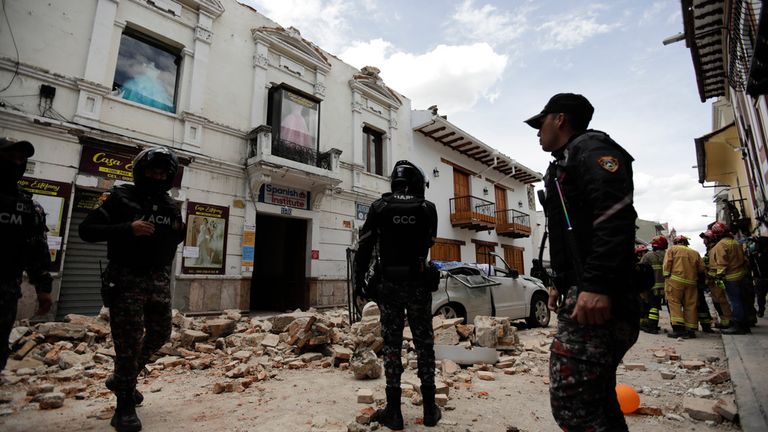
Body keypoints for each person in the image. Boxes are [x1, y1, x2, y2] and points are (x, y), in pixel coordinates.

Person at [525, 93, 639, 431]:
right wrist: (560, 284)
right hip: (580, 289)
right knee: (598, 398)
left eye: (540, 122)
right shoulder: (563, 162)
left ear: (560, 119)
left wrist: (596, 285)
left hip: (600, 295)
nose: (536, 131)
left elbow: (614, 218)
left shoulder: (592, 150)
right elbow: (571, 234)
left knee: (573, 402)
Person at [80, 146, 185, 432]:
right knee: (127, 343)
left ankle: (122, 378)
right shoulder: (119, 197)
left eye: (163, 171)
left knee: (161, 333)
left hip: (158, 279)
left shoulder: (170, 205)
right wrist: (128, 228)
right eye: (152, 170)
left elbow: (175, 237)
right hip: (125, 278)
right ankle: (124, 404)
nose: (157, 175)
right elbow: (87, 231)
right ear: (140, 172)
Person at [353, 160, 439, 430]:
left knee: (391, 345)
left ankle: (394, 412)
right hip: (418, 285)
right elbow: (429, 243)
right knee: (424, 345)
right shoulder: (428, 209)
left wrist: (358, 283)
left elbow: (364, 247)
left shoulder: (379, 207)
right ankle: (428, 410)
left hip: (389, 285)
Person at [0, 137, 52, 371]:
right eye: (9, 157)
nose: (15, 163)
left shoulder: (27, 205)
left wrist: (43, 288)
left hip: (6, 288)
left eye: (20, 159)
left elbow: (37, 248)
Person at [708, 221, 751, 334]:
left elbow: (721, 264)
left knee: (735, 301)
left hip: (731, 278)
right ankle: (745, 325)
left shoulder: (721, 245)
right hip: (741, 276)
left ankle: (738, 326)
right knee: (742, 301)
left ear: (717, 234)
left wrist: (718, 278)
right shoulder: (735, 242)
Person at [663, 235, 706, 338]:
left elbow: (667, 265)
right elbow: (701, 269)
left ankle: (678, 330)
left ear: (676, 242)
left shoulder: (672, 250)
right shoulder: (695, 252)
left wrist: (666, 275)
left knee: (674, 303)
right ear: (686, 243)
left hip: (675, 281)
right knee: (690, 305)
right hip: (691, 283)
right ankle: (691, 329)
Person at [701, 230, 732, 328]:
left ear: (710, 239)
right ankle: (724, 320)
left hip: (717, 279)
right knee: (717, 300)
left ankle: (728, 320)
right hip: (713, 279)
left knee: (721, 300)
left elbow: (717, 265)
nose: (703, 242)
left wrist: (713, 275)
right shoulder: (711, 249)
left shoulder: (715, 248)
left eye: (705, 239)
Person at [639, 235, 668, 334]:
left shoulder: (648, 256)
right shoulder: (669, 255)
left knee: (653, 308)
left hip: (653, 287)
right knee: (672, 308)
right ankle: (678, 327)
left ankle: (652, 327)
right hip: (668, 287)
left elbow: (640, 271)